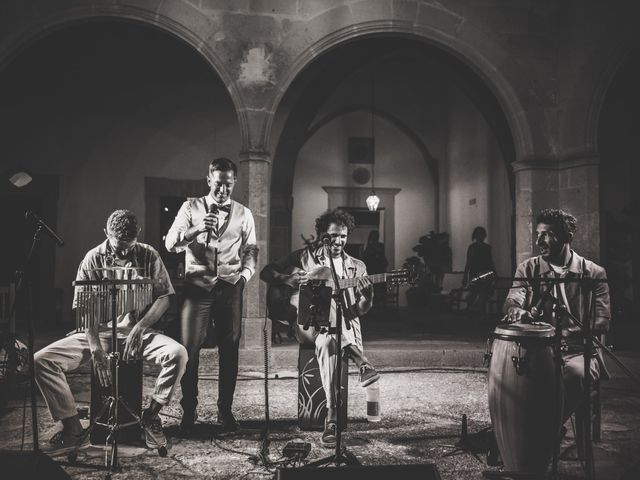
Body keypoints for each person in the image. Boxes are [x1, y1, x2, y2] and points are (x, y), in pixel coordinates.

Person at [34, 209, 187, 454]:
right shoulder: (92, 259)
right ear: (106, 233)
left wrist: (141, 326)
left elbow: (165, 297)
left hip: (137, 331)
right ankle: (73, 427)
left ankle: (150, 416)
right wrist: (95, 347)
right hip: (98, 333)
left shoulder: (149, 255)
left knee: (178, 354)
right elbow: (84, 307)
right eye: (118, 246)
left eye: (129, 246)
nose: (124, 252)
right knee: (41, 360)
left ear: (138, 235)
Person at [260, 209, 379, 448]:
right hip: (305, 325)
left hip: (334, 332)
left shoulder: (357, 267)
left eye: (343, 236)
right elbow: (266, 272)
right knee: (328, 301)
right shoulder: (304, 257)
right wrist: (287, 280)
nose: (338, 241)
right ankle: (360, 359)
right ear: (322, 235)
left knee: (327, 339)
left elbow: (359, 311)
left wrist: (369, 295)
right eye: (333, 236)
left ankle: (332, 418)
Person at [165, 157, 257, 433]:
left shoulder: (244, 213)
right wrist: (195, 229)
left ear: (234, 183)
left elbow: (251, 249)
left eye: (228, 185)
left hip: (230, 287)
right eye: (218, 184)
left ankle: (225, 411)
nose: (223, 191)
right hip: (197, 289)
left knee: (230, 350)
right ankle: (189, 411)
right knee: (189, 349)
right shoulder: (189, 207)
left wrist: (243, 278)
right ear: (209, 181)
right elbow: (170, 244)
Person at [503, 208, 610, 423]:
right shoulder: (527, 269)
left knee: (575, 376)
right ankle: (522, 433)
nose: (539, 241)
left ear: (567, 237)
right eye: (537, 234)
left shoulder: (594, 273)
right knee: (509, 378)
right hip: (538, 351)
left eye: (547, 234)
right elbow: (513, 298)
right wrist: (515, 309)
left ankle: (542, 433)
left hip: (579, 352)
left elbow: (602, 322)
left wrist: (568, 333)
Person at [462, 226, 496, 312]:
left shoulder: (475, 248)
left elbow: (490, 262)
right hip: (479, 273)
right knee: (478, 293)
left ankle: (476, 311)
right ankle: (476, 310)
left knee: (480, 293)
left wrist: (465, 276)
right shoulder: (482, 248)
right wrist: (465, 275)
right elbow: (469, 262)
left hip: (480, 273)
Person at [362, 230, 388, 308]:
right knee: (374, 291)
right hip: (373, 271)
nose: (376, 238)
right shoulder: (369, 247)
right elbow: (365, 260)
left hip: (379, 270)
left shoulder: (379, 246)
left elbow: (383, 259)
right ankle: (375, 307)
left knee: (380, 291)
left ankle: (380, 307)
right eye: (374, 236)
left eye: (377, 236)